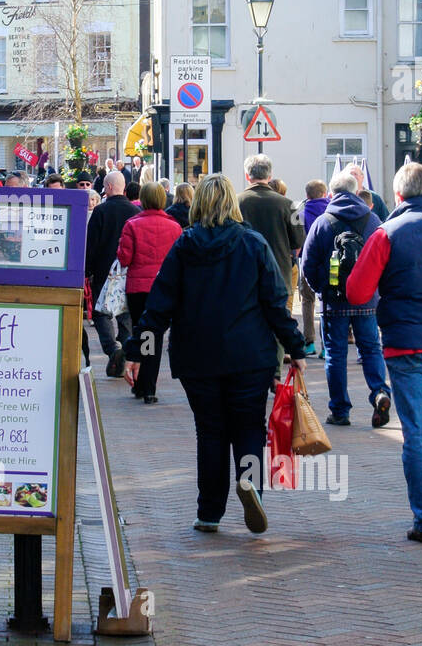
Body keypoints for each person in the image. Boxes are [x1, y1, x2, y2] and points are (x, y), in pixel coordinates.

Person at [123, 174, 306, 534]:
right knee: (249, 428)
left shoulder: (184, 246)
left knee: (210, 432)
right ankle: (250, 486)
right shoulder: (253, 244)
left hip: (198, 358)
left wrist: (138, 351)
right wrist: (296, 348)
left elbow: (158, 307)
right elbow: (275, 304)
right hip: (249, 356)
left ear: (199, 205)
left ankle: (209, 511)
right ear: (232, 204)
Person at [346, 163, 422, 542]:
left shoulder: (387, 233)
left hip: (407, 343)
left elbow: (357, 293)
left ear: (398, 196)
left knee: (417, 431)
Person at [300, 169, 390, 428]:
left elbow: (308, 262)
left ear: (331, 193)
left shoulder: (323, 221)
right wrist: (373, 289)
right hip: (366, 300)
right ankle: (379, 392)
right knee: (371, 348)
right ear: (355, 190)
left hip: (334, 300)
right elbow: (384, 257)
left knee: (336, 354)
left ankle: (340, 410)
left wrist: (322, 289)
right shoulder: (372, 220)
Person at [238, 153, 305, 376]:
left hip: (244, 276)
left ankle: (250, 370)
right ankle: (274, 374)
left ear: (247, 176)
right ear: (270, 175)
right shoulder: (291, 205)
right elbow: (298, 242)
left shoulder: (235, 203)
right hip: (279, 275)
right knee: (277, 326)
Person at [116, 182, 181, 401]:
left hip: (138, 288)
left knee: (142, 333)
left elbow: (124, 259)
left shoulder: (132, 225)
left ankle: (142, 384)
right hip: (164, 288)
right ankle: (148, 386)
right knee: (155, 336)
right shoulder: (174, 227)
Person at [85, 170, 137, 376]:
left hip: (103, 270)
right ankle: (125, 347)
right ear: (123, 187)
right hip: (127, 271)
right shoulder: (135, 212)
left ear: (107, 188)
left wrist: (87, 270)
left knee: (100, 313)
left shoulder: (101, 211)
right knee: (125, 313)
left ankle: (112, 349)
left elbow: (91, 244)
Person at [300, 180, 329, 356]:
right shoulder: (332, 209)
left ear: (307, 195)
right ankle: (326, 346)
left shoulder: (300, 212)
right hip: (326, 261)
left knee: (307, 300)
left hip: (307, 259)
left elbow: (299, 238)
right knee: (325, 301)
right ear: (325, 193)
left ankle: (309, 342)